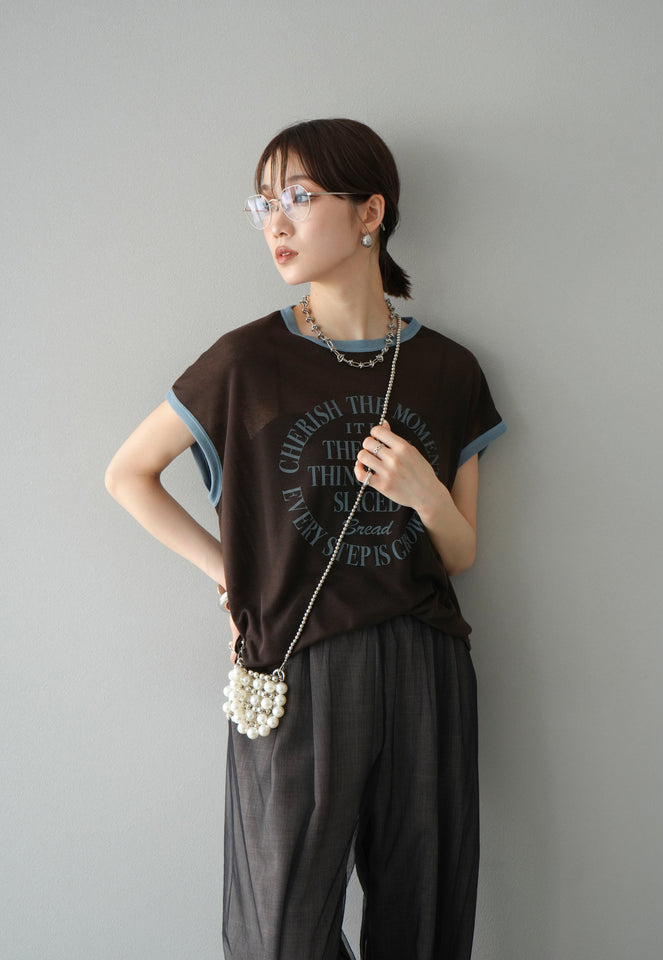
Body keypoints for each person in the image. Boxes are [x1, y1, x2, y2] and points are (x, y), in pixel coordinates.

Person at [105, 117, 506, 960]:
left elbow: (461, 553)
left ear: (370, 212)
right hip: (295, 663)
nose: (275, 223)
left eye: (298, 196)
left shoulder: (449, 370)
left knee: (424, 919)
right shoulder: (247, 362)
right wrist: (229, 577)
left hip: (423, 660)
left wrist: (425, 493)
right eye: (263, 204)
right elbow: (128, 474)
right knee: (278, 930)